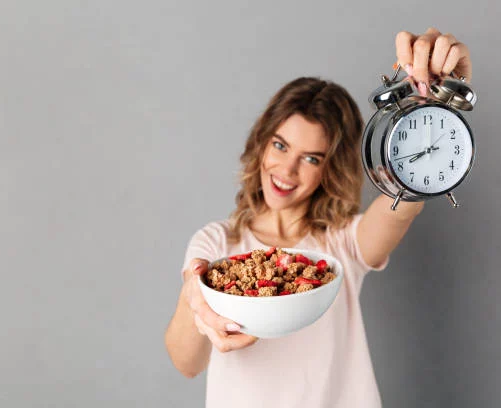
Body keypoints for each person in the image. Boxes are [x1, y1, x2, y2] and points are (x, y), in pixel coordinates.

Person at [165, 27, 472, 408]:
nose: (287, 170)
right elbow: (186, 362)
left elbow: (403, 200)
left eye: (312, 158)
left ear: (330, 170)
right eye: (280, 145)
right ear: (261, 143)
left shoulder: (342, 245)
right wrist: (196, 299)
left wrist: (430, 112)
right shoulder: (217, 245)